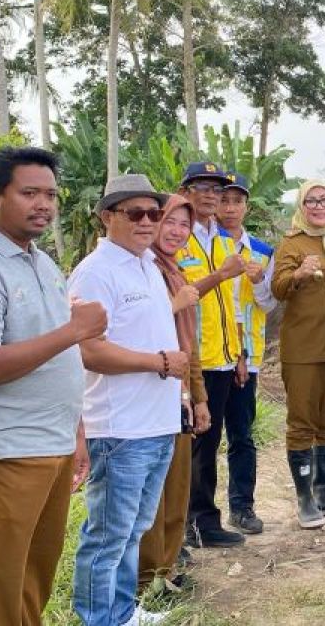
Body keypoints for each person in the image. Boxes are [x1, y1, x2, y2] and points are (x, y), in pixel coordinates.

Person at [0, 147, 107, 626]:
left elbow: (58, 357)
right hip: (7, 447)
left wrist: (76, 431)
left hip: (53, 442)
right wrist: (75, 329)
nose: (43, 205)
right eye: (29, 193)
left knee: (35, 576)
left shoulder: (43, 263)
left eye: (50, 195)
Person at [69, 174, 190, 626]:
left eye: (153, 213)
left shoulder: (146, 265)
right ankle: (97, 618)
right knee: (108, 535)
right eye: (134, 213)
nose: (147, 221)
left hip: (156, 422)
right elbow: (89, 350)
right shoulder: (96, 272)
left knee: (134, 529)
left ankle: (120, 612)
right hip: (119, 427)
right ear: (107, 217)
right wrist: (159, 362)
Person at [272, 180, 325, 528]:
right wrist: (298, 273)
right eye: (311, 201)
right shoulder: (292, 243)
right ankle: (305, 498)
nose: (319, 206)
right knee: (301, 423)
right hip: (304, 347)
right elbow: (278, 289)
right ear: (301, 206)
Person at [138, 194, 210, 594]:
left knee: (177, 488)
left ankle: (164, 572)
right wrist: (173, 304)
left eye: (185, 225)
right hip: (147, 397)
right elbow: (130, 329)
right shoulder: (143, 270)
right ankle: (146, 578)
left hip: (178, 396)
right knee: (153, 494)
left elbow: (189, 346)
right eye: (170, 222)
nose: (177, 231)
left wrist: (199, 398)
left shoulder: (176, 272)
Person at [178, 162, 248, 548]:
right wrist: (220, 274)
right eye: (202, 187)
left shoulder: (222, 241)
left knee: (209, 444)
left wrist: (239, 353)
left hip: (221, 358)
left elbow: (233, 303)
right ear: (184, 192)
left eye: (216, 190)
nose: (211, 196)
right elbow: (181, 299)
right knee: (187, 447)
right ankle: (186, 524)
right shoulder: (177, 239)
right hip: (190, 359)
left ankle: (203, 520)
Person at [217, 172, 278, 536]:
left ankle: (242, 507)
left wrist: (257, 282)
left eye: (237, 201)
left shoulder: (262, 252)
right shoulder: (202, 244)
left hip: (249, 357)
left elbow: (269, 305)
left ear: (246, 207)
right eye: (224, 200)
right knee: (205, 439)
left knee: (241, 434)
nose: (230, 208)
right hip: (212, 354)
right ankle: (200, 514)